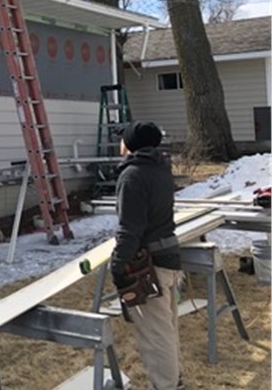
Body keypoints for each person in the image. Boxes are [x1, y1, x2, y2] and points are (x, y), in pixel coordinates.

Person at [111, 121, 183, 390]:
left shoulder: (133, 176)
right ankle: (175, 380)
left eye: (123, 140)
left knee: (155, 335)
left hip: (149, 264)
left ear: (130, 145)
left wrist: (118, 265)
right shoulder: (161, 169)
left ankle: (165, 386)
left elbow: (130, 229)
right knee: (166, 327)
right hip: (169, 257)